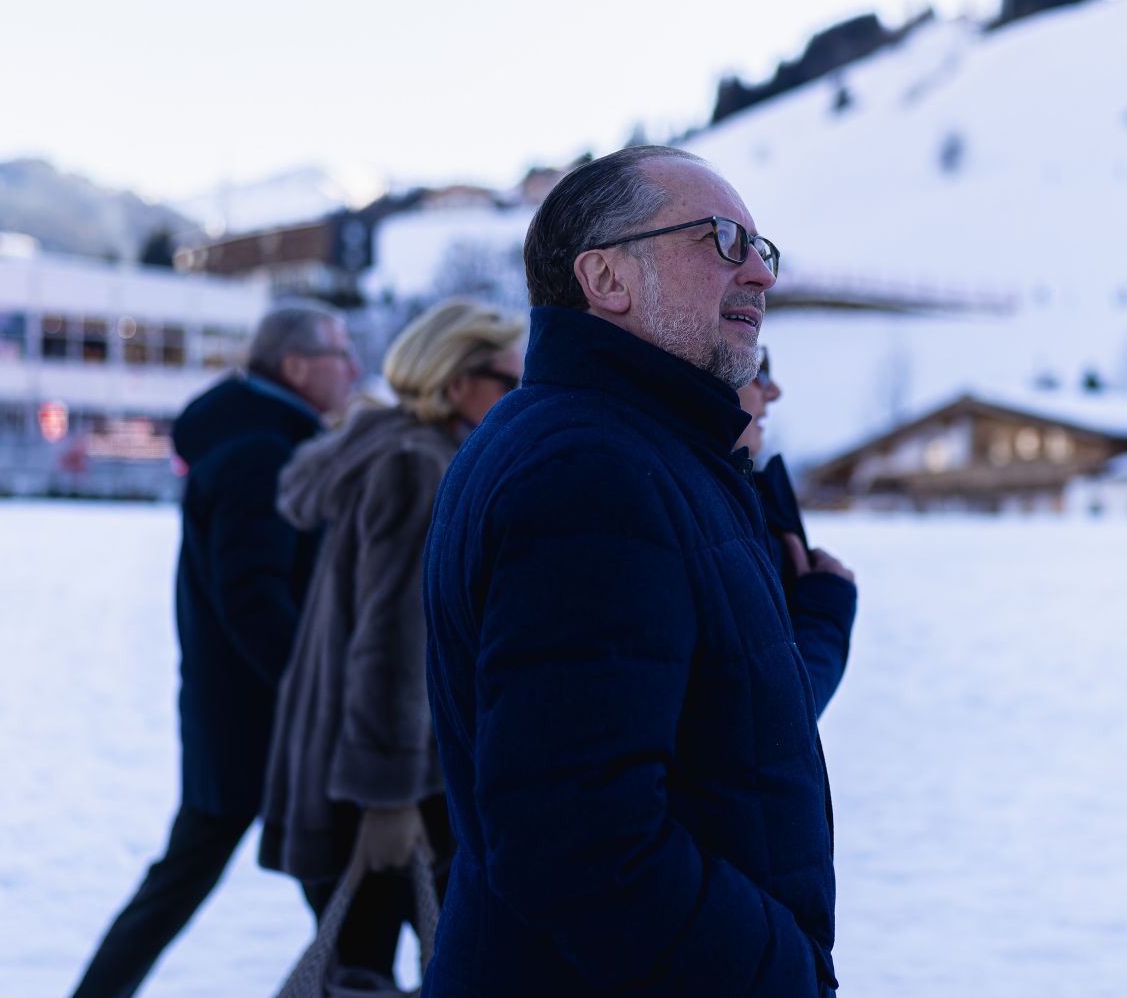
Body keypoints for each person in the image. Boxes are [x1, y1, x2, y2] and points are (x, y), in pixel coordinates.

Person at [422, 145, 845, 995]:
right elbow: (578, 841)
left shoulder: (646, 450)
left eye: (762, 250)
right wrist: (777, 971)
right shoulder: (594, 470)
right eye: (723, 240)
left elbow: (727, 733)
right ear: (607, 278)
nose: (758, 275)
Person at [70, 300, 359, 998]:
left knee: (340, 897)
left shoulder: (262, 437)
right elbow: (251, 597)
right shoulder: (263, 451)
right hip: (268, 725)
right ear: (295, 366)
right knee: (352, 897)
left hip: (242, 719)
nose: (352, 370)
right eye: (339, 356)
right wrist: (319, 695)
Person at [259, 298, 524, 985]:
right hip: (385, 790)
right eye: (510, 381)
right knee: (374, 973)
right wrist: (388, 797)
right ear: (457, 380)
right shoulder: (420, 466)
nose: (523, 398)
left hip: (368, 771)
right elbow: (393, 648)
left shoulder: (395, 449)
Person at [736, 347, 857, 715]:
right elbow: (770, 722)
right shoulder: (706, 511)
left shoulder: (740, 505)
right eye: (759, 368)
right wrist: (824, 616)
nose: (773, 391)